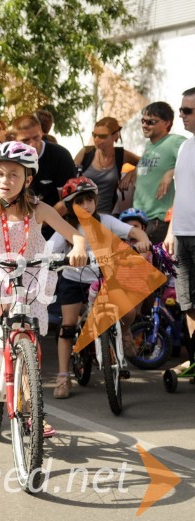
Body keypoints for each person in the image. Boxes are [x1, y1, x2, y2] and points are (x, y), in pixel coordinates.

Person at [0, 142, 88, 412]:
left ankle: (31, 412)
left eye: (14, 175)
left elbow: (75, 236)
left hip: (30, 270)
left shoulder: (39, 209)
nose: (5, 180)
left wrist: (79, 249)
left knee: (27, 335)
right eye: (0, 174)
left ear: (28, 180)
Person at [48, 177, 150, 398]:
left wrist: (142, 240)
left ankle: (124, 330)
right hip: (73, 281)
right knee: (67, 327)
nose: (85, 206)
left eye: (89, 200)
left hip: (104, 278)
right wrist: (49, 259)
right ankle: (63, 377)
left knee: (129, 312)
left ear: (95, 200)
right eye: (79, 202)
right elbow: (49, 249)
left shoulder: (106, 221)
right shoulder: (66, 227)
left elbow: (134, 232)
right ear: (70, 206)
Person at [163, 87, 195, 369]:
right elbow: (180, 192)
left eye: (187, 110)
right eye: (181, 110)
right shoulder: (185, 147)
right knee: (188, 302)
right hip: (183, 235)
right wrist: (171, 230)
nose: (182, 115)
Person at [129, 102, 188, 243]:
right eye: (143, 121)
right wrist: (133, 172)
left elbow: (191, 163)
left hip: (158, 221)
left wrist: (171, 173)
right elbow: (150, 169)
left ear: (166, 123)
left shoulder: (175, 141)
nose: (144, 125)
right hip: (139, 219)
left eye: (150, 122)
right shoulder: (149, 145)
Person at [74, 117, 141, 215]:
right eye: (94, 135)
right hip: (81, 214)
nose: (96, 139)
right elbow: (70, 178)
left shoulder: (121, 155)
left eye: (102, 136)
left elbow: (144, 162)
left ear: (115, 135)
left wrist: (131, 173)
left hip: (106, 214)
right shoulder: (86, 152)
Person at [12, 114, 75, 213]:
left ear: (42, 133)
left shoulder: (60, 156)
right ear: (15, 140)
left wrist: (41, 221)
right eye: (25, 140)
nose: (32, 144)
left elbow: (67, 201)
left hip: (55, 218)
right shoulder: (10, 158)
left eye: (36, 138)